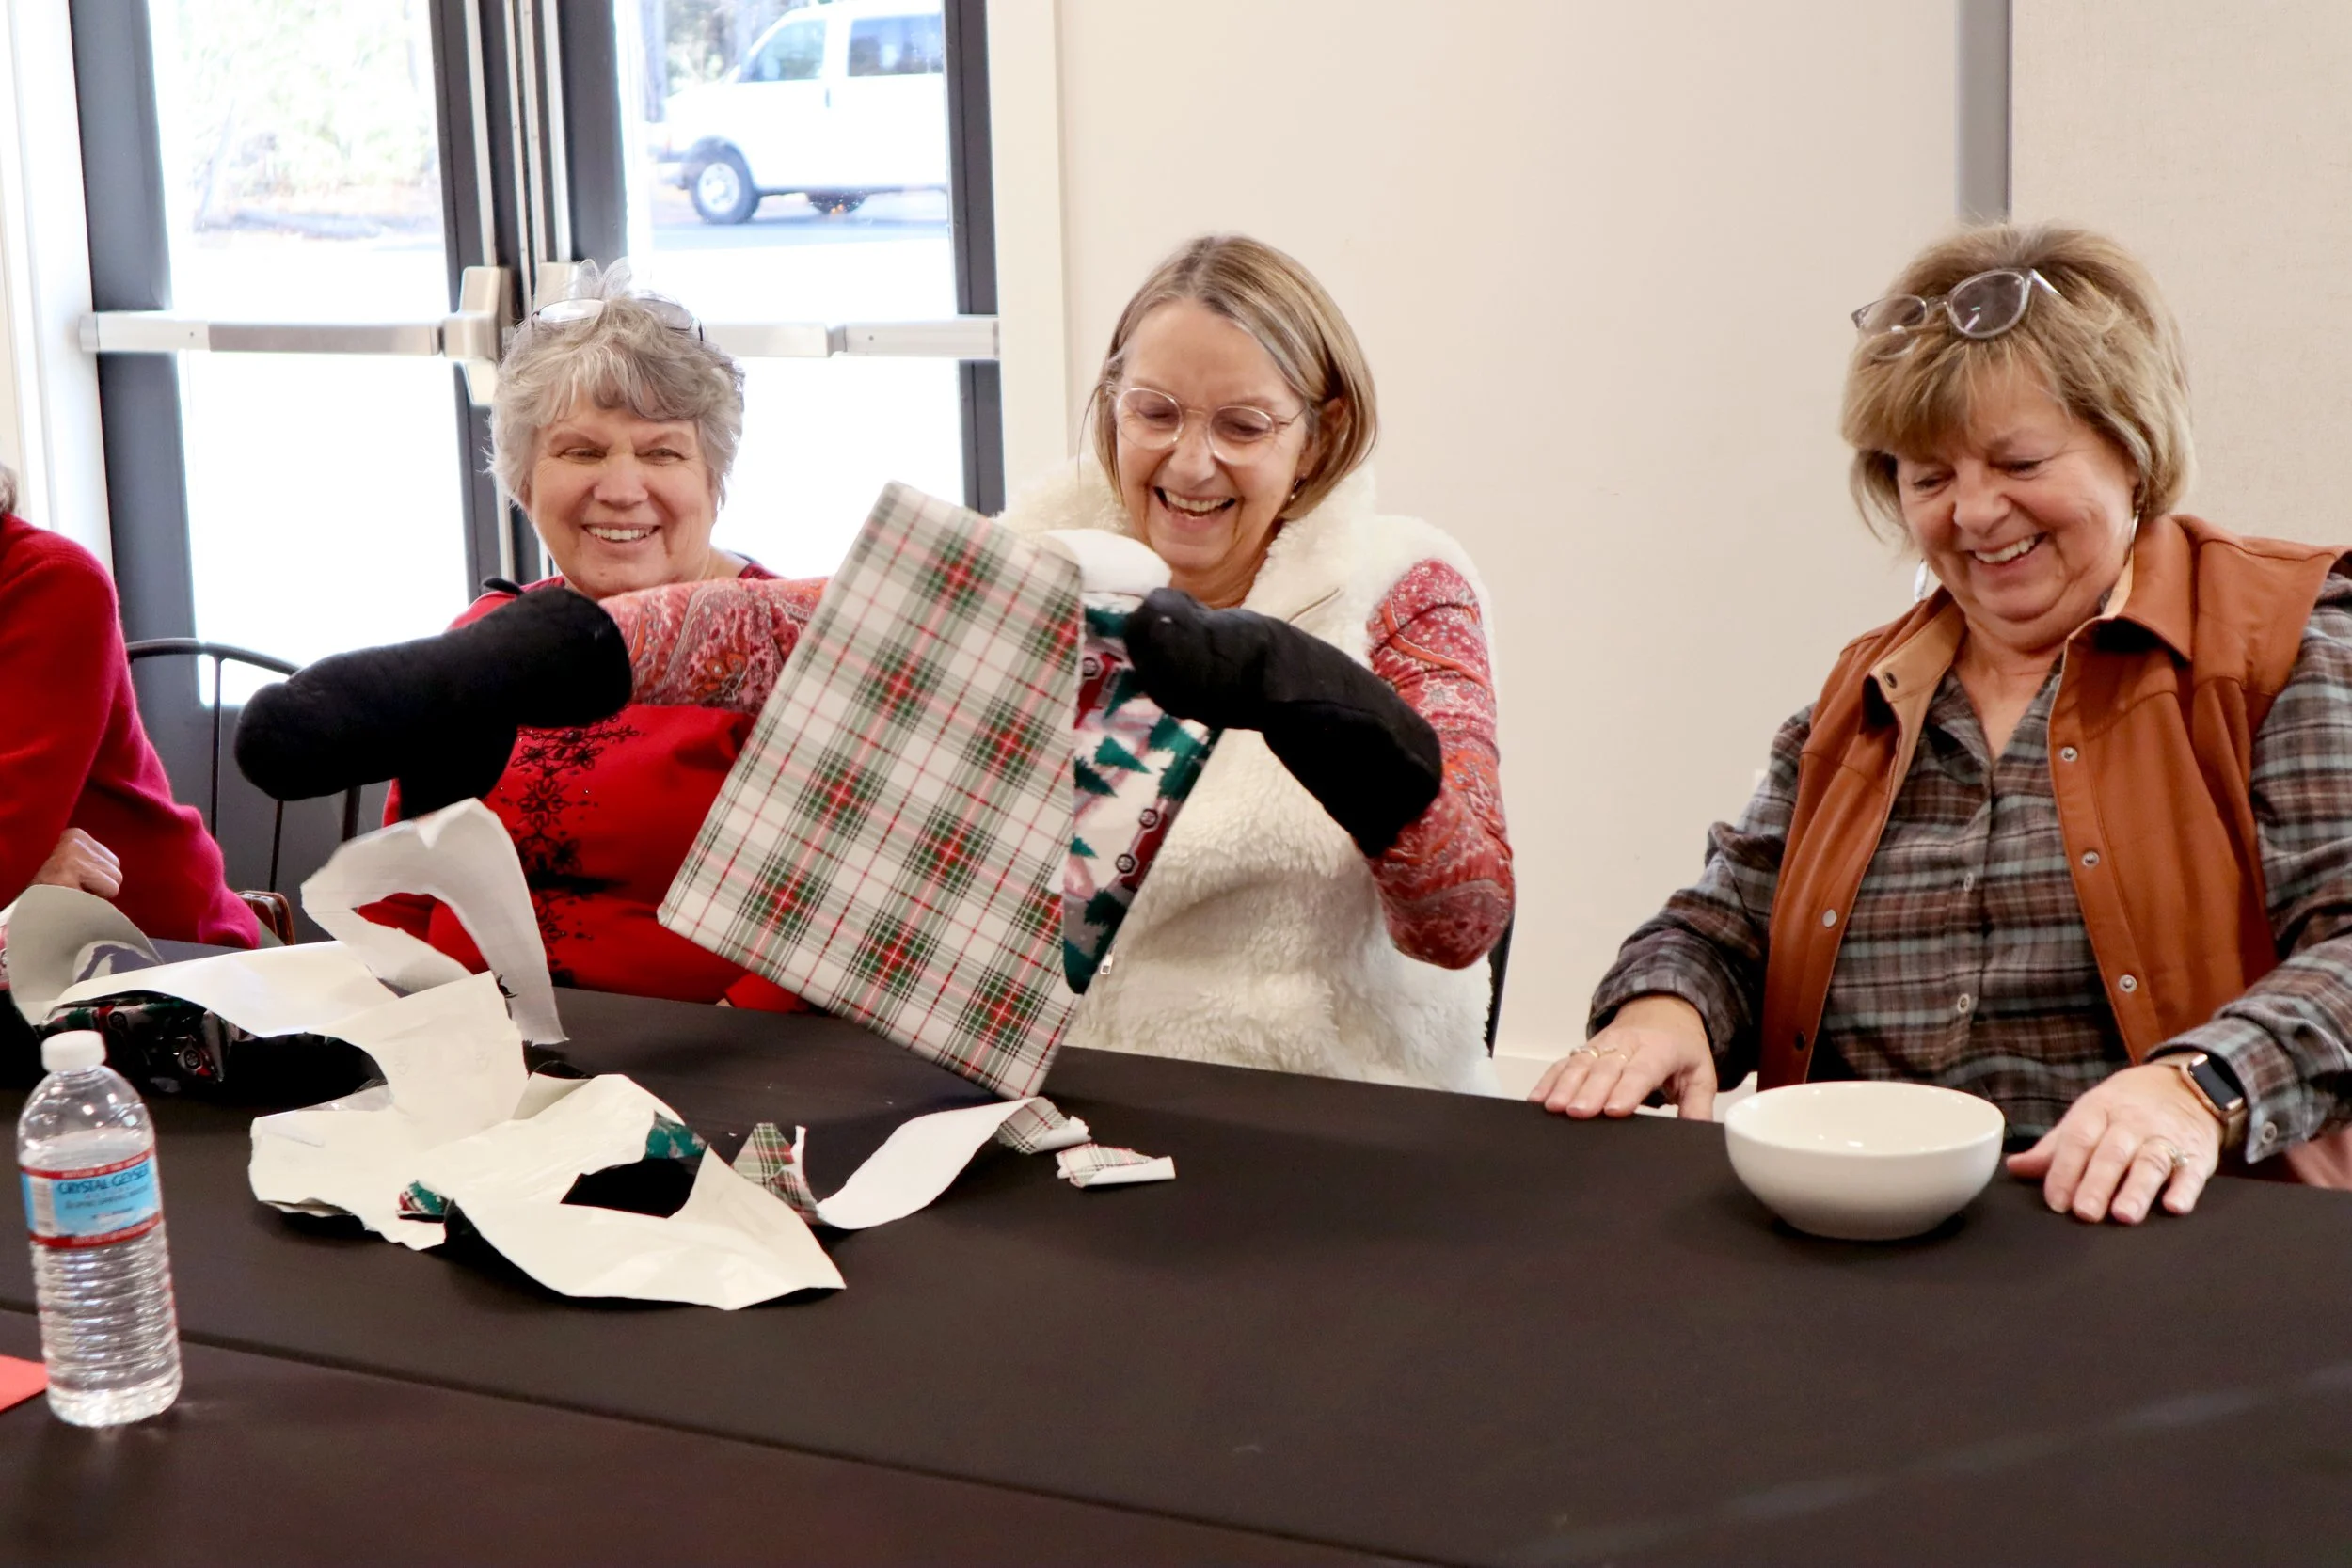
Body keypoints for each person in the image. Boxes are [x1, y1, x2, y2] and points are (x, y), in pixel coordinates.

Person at [239, 236, 1514, 1091]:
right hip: (1036, 1106)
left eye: (1242, 424)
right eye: (1156, 412)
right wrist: (518, 657)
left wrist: (1316, 699)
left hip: (1309, 1111)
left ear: (1318, 431)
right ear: (1111, 405)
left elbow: (1459, 921)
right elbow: (775, 629)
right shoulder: (1039, 559)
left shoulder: (1403, 585)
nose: (1189, 461)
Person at [1534, 223, 2352, 1220]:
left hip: (2169, 1239)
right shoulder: (1864, 694)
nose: (1973, 512)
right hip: (1863, 1228)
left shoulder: (2283, 642)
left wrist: (2198, 1087)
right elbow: (1725, 924)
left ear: (2132, 448)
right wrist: (1662, 1010)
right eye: (1928, 477)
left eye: (2018, 461)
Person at [358, 269, 820, 1011]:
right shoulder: (481, 640)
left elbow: (820, 936)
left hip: (698, 1055)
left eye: (662, 453)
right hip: (458, 1039)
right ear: (524, 481)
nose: (622, 488)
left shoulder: (784, 651)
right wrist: (378, 1023)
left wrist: (707, 1056)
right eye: (581, 451)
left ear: (712, 478)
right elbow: (400, 890)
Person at [0, 463, 256, 951]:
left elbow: (8, 842)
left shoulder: (49, 580)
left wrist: (20, 880)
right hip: (32, 945)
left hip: (157, 952)